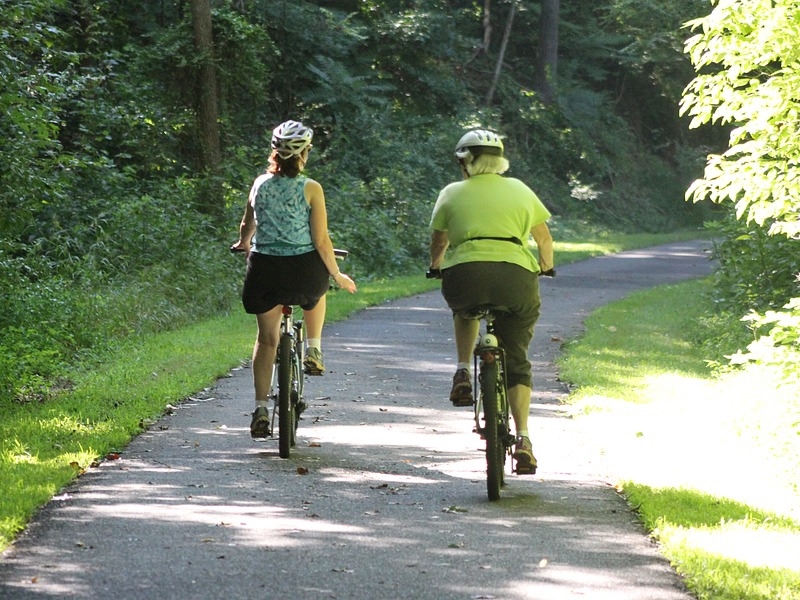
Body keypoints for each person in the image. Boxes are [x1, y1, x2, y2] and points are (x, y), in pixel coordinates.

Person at [429, 128, 554, 474]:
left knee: (465, 308)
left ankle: (462, 371)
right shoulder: (521, 189)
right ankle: (524, 438)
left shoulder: (452, 192)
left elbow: (439, 242)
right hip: (516, 277)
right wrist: (547, 267)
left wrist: (435, 267)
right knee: (517, 359)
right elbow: (544, 239)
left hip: (465, 275)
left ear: (466, 161)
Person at [231, 120, 357, 438]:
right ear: (306, 153)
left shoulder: (259, 184)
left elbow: (247, 225)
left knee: (266, 340)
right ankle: (313, 348)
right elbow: (321, 241)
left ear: (275, 152)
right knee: (318, 290)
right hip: (303, 272)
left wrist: (245, 243)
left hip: (264, 271)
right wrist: (336, 273)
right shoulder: (311, 188)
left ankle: (261, 408)